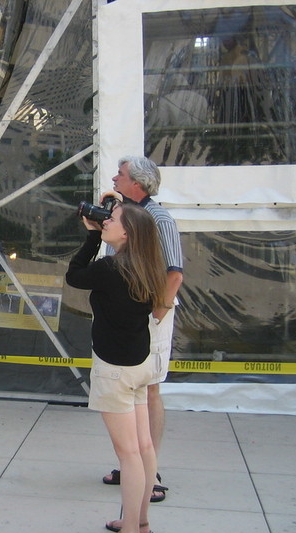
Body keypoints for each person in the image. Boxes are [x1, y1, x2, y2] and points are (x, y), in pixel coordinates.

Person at [66, 202, 168, 533]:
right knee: (142, 448)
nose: (106, 220)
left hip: (115, 370)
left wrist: (92, 236)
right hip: (139, 365)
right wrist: (99, 231)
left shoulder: (111, 268)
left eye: (113, 219)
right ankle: (140, 522)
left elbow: (75, 275)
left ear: (126, 233)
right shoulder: (148, 266)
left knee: (128, 456)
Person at [100, 156, 184, 503]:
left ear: (138, 183)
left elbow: (174, 274)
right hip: (125, 316)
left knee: (148, 390)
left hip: (150, 315)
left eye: (120, 175)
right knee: (125, 392)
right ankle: (130, 462)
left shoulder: (159, 218)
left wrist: (157, 315)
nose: (114, 179)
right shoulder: (121, 216)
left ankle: (151, 471)